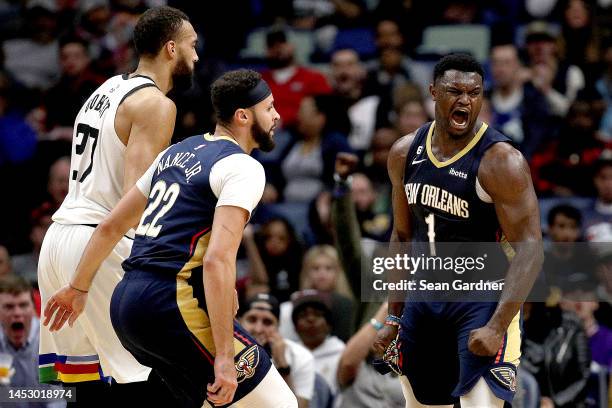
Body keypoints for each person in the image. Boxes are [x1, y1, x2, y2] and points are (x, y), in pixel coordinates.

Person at [43, 69, 297, 408]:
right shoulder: (243, 167)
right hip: (170, 304)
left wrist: (78, 287)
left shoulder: (176, 152)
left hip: (126, 303)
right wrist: (224, 356)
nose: (277, 115)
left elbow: (111, 226)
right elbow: (217, 260)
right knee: (280, 404)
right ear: (243, 116)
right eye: (270, 107)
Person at [36, 5, 199, 402]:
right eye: (193, 46)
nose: (197, 56)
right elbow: (135, 202)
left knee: (81, 383)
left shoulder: (105, 89)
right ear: (171, 49)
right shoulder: (157, 105)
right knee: (145, 376)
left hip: (58, 241)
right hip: (98, 245)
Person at [373, 53, 543, 407]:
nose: (465, 100)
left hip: (482, 298)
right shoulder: (405, 152)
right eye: (454, 91)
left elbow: (530, 248)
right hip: (425, 296)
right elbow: (402, 237)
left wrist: (497, 325)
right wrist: (393, 315)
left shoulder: (501, 162)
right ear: (433, 92)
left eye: (474, 92)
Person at [239, 293, 315, 408]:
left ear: (278, 326)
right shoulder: (224, 351)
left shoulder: (301, 356)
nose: (258, 329)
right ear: (239, 321)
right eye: (252, 320)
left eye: (267, 322)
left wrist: (282, 365)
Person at [0, 275, 63, 408]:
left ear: (34, 310)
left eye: (23, 305)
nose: (17, 313)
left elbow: (56, 400)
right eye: (9, 307)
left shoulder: (49, 341)